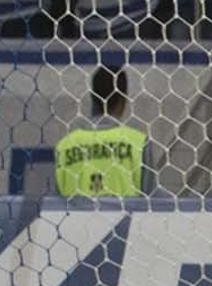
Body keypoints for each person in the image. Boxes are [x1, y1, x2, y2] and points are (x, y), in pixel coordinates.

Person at [53, 64, 152, 195]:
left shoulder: (65, 146)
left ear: (93, 96)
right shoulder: (138, 143)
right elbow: (151, 204)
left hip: (75, 215)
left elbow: (54, 203)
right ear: (123, 99)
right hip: (125, 216)